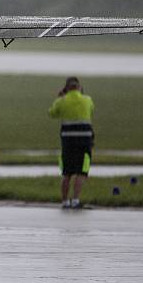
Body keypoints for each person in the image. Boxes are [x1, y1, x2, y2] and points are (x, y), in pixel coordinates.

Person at [48, 76, 95, 209]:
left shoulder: (62, 101)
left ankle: (64, 201)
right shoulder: (87, 100)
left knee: (67, 173)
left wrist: (60, 98)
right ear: (79, 88)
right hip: (85, 141)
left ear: (66, 88)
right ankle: (75, 200)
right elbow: (91, 109)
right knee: (81, 172)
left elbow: (52, 113)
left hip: (68, 142)